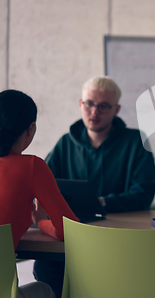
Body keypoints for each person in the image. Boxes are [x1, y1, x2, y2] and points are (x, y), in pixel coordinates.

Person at [33, 76, 155, 298]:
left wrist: (104, 202)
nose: (94, 112)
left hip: (121, 238)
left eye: (103, 106)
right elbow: (43, 186)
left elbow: (143, 194)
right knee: (46, 267)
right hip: (72, 234)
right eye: (89, 104)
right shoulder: (65, 143)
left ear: (116, 109)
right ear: (80, 104)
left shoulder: (136, 142)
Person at [0, 89, 79, 298]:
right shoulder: (31, 166)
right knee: (45, 288)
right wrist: (41, 221)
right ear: (31, 128)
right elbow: (70, 230)